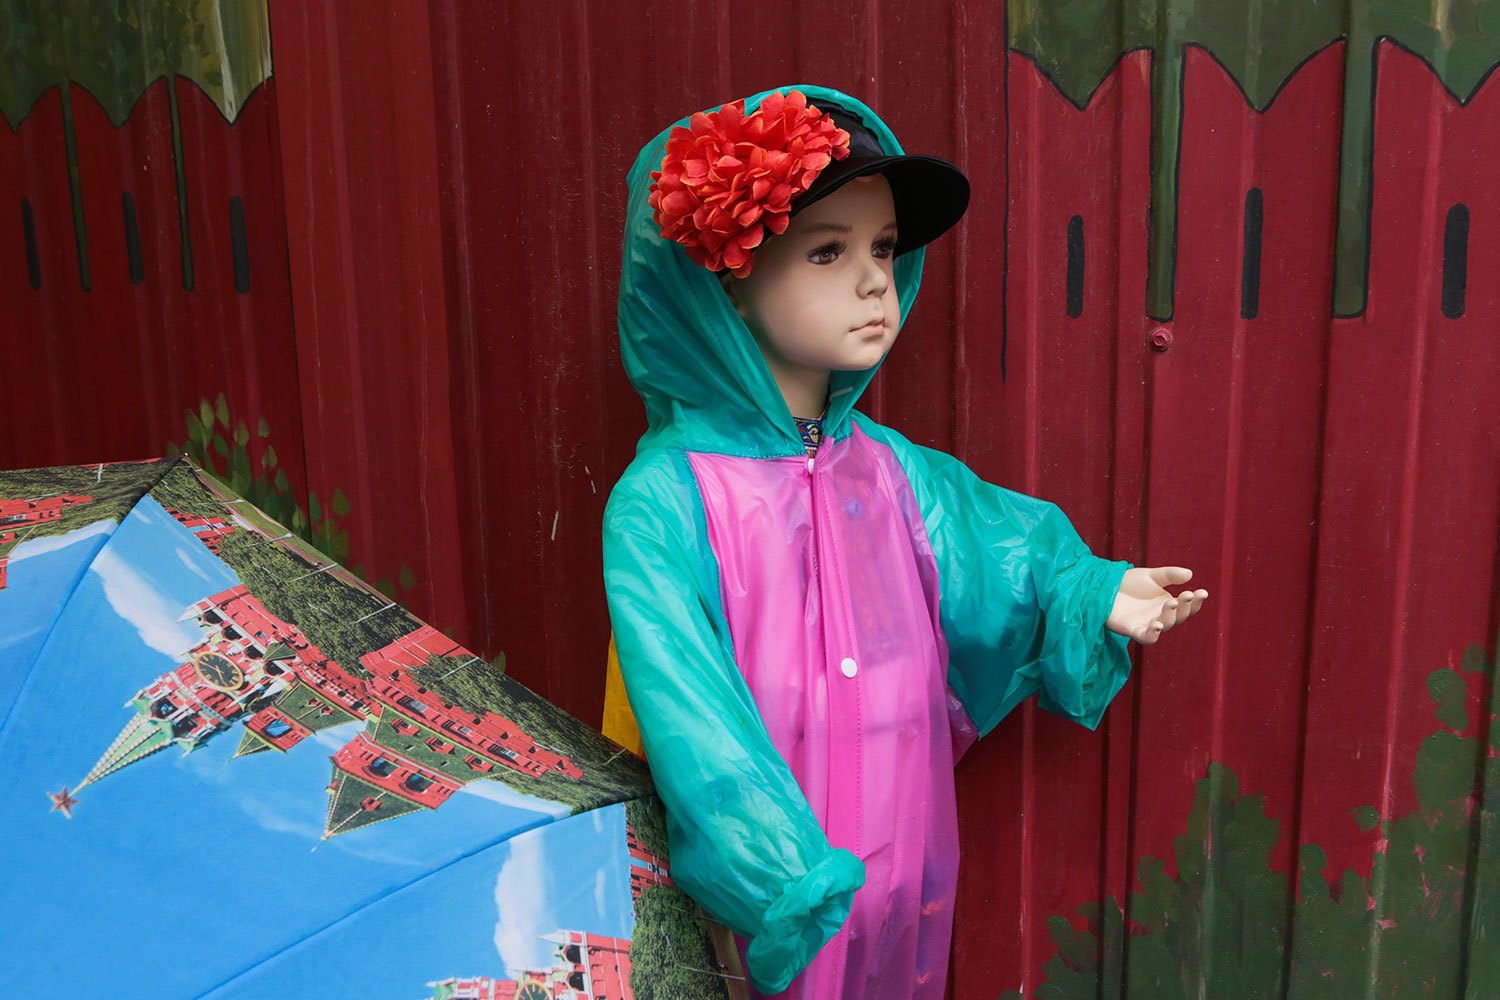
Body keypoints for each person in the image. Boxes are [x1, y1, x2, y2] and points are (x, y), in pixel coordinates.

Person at [601, 86, 1207, 998]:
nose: (873, 281)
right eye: (827, 251)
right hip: (772, 900)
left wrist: (1092, 591)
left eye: (882, 248)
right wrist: (777, 875)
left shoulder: (891, 474)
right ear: (725, 284)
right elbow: (689, 711)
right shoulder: (667, 502)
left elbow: (1002, 553)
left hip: (907, 861)